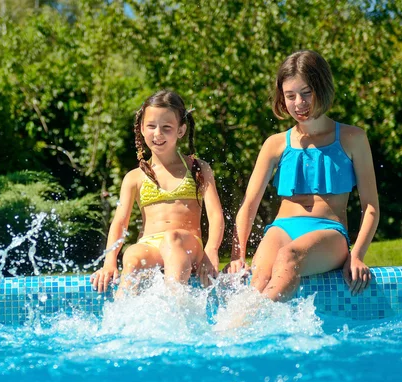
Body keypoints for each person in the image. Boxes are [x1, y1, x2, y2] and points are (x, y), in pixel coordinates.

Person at [226, 50, 379, 301]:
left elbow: (371, 206)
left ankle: (248, 324)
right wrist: (237, 255)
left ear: (322, 88)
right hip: (281, 229)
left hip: (329, 233)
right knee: (258, 278)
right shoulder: (275, 144)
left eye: (306, 93)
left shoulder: (353, 138)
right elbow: (249, 205)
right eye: (290, 96)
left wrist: (358, 254)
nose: (299, 103)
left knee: (288, 257)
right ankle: (241, 330)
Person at [91, 90, 224, 295]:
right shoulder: (134, 177)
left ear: (181, 131)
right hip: (150, 246)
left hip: (187, 244)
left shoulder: (197, 168)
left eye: (167, 127)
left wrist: (211, 251)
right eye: (151, 126)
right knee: (132, 255)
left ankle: (176, 307)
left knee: (172, 239)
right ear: (142, 129)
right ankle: (121, 321)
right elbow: (120, 222)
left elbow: (215, 215)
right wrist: (110, 261)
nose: (158, 133)